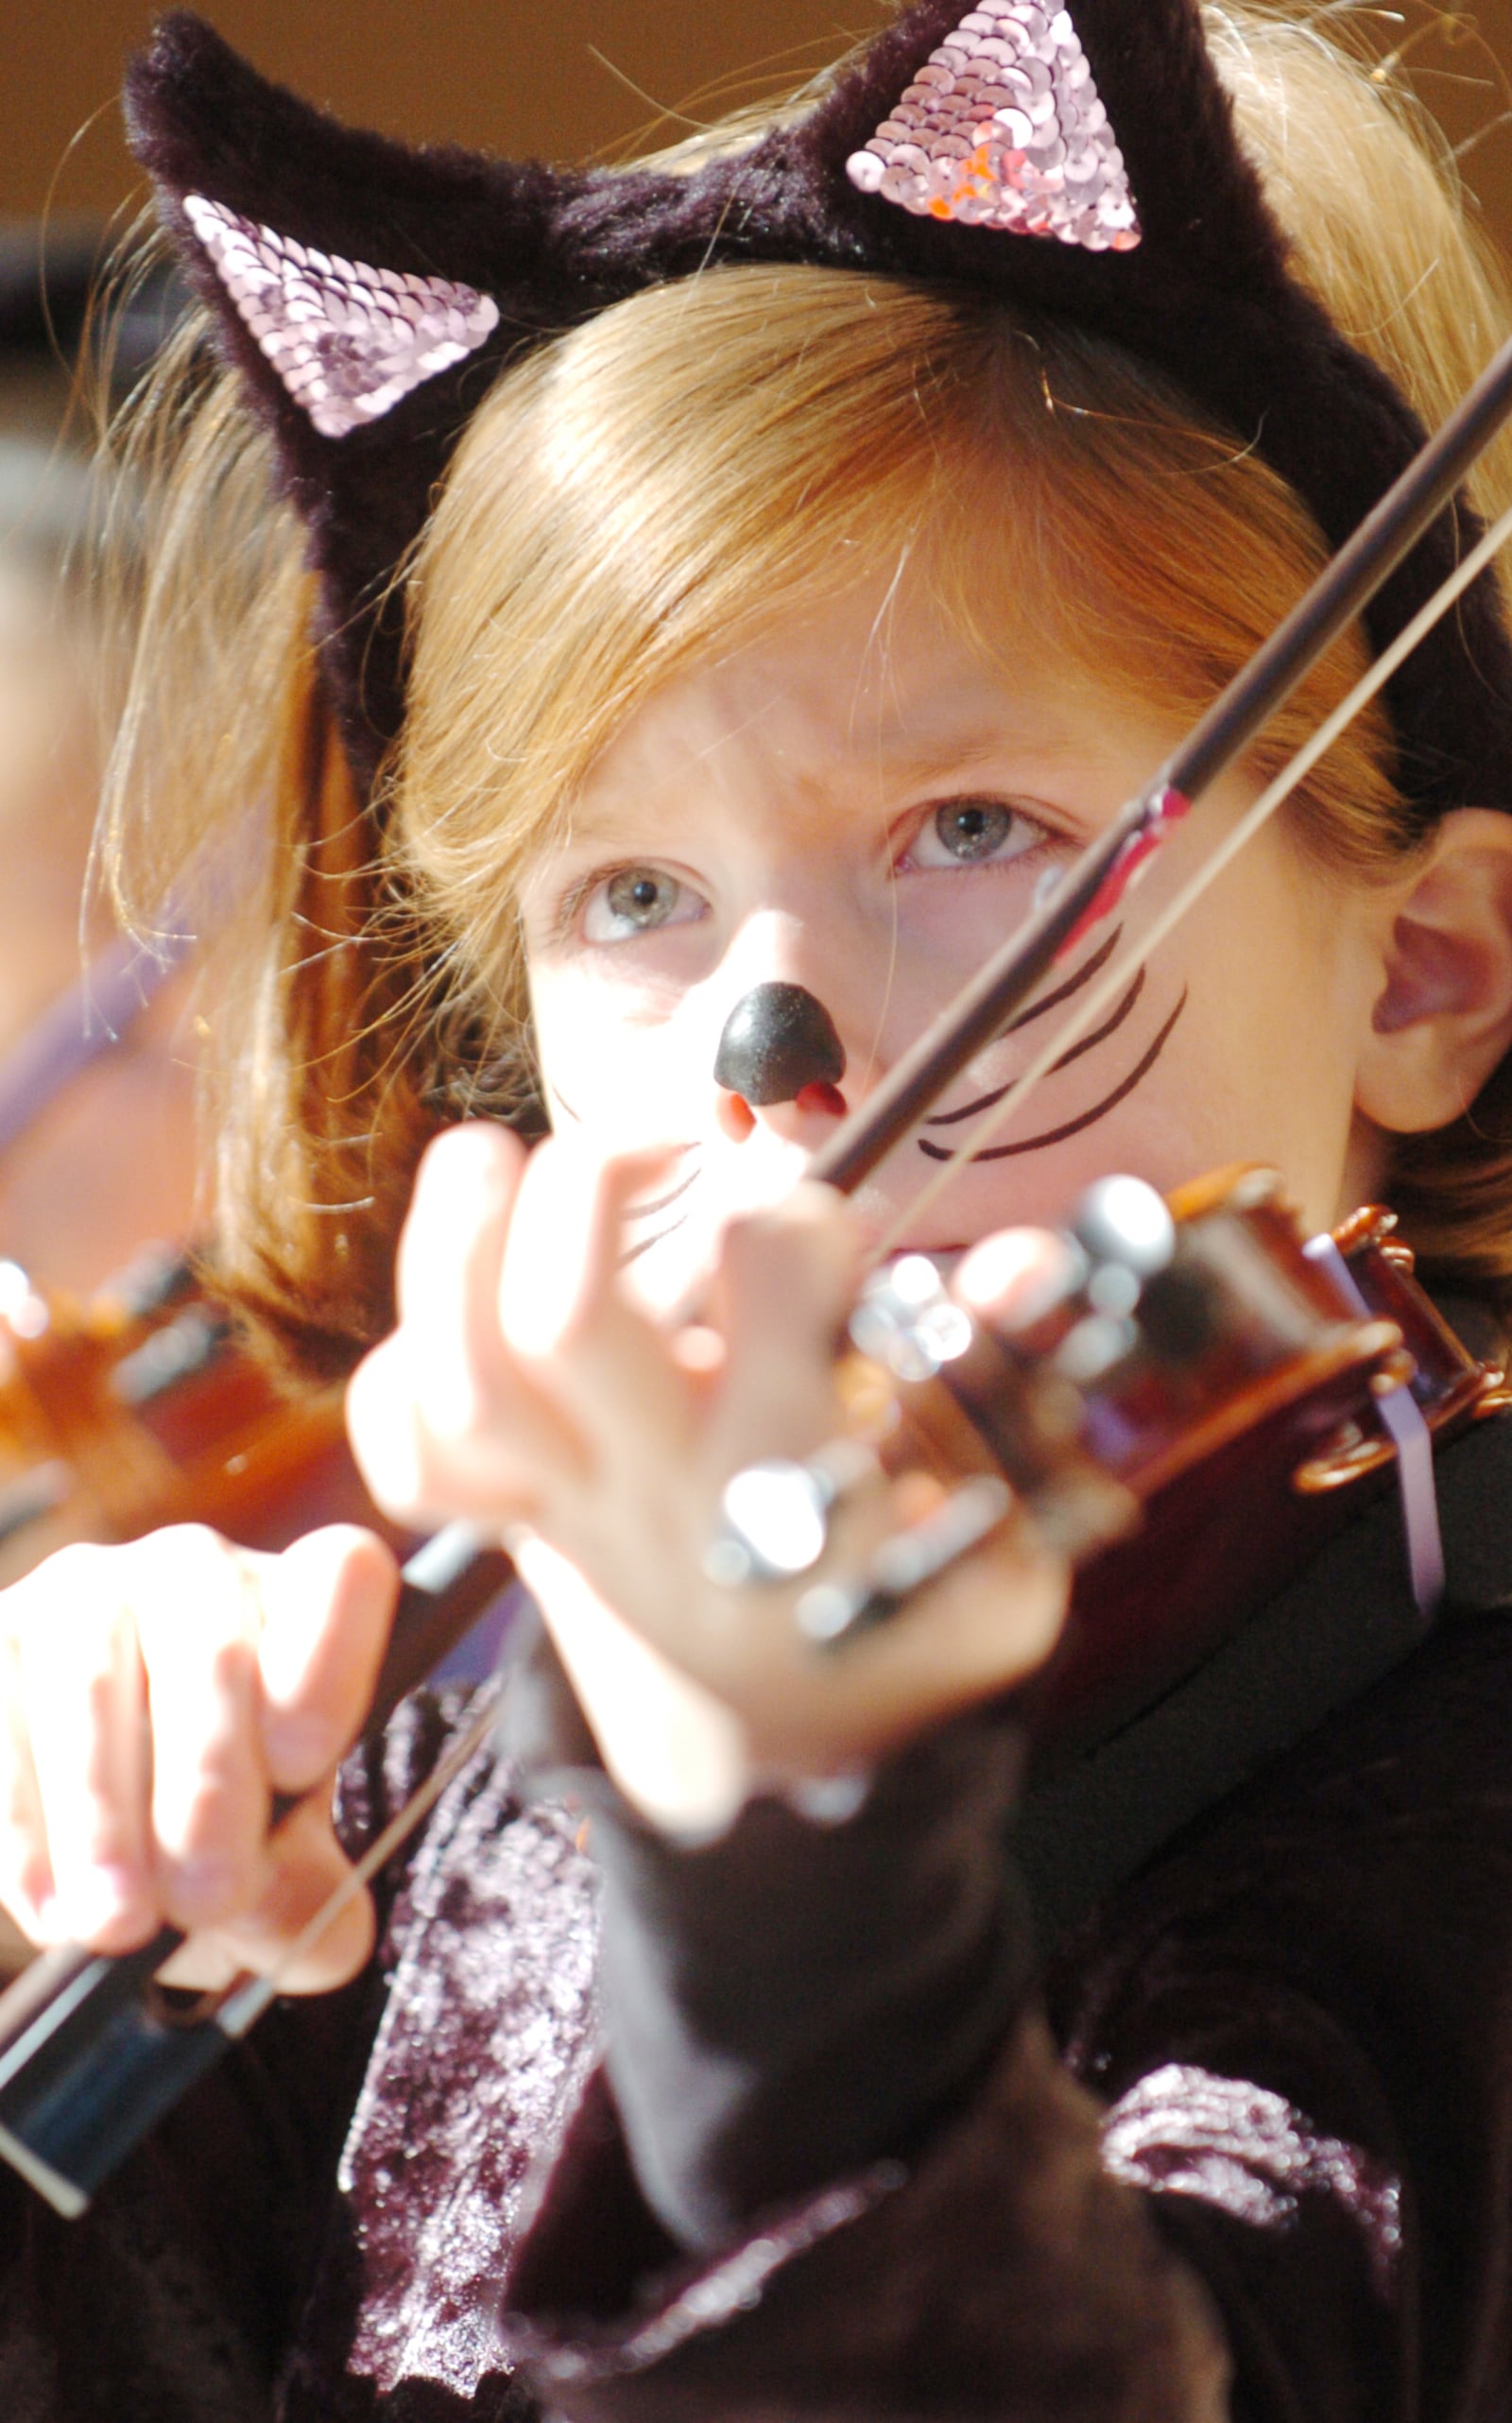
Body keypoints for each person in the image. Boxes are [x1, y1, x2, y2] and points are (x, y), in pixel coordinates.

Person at [3, 0, 1512, 2414]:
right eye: (631, 897)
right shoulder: (437, 1750)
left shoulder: (1428, 1785)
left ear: (1420, 969)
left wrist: (781, 1838)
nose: (773, 1044)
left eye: (970, 833)